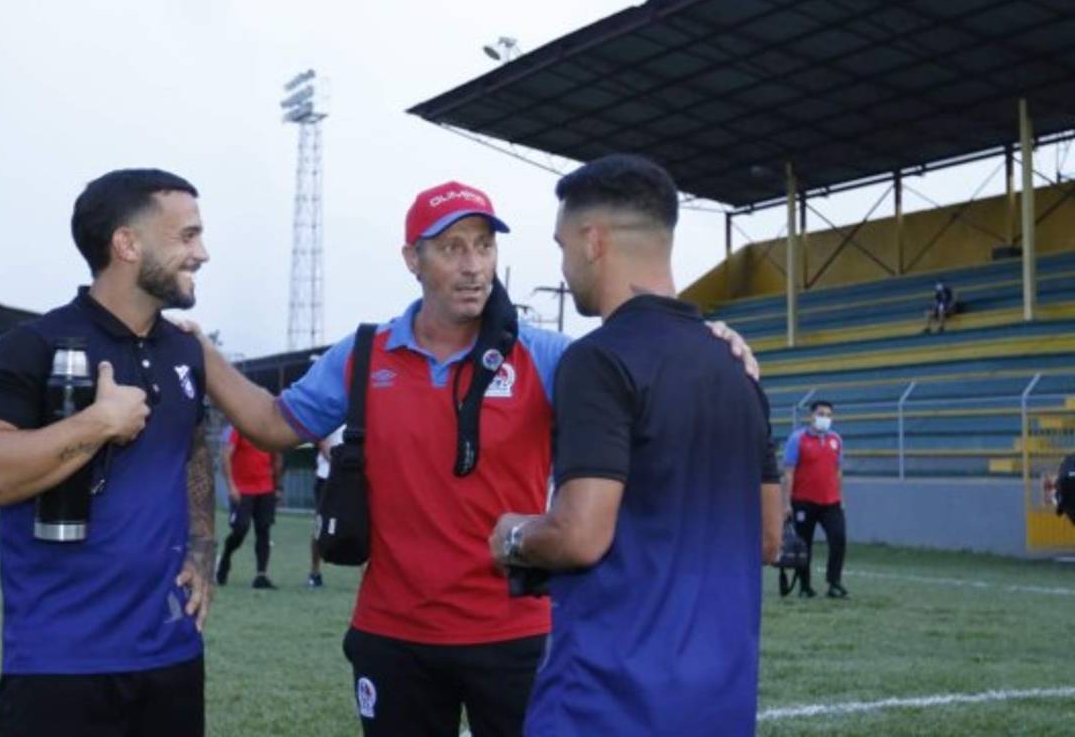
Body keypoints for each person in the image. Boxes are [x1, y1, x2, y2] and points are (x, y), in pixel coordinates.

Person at [183, 180, 759, 737]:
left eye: (485, 246)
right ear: (413, 258)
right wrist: (203, 354)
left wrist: (708, 343)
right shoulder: (365, 354)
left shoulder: (550, 356)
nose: (474, 265)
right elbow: (272, 424)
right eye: (452, 247)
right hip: (394, 634)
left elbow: (643, 372)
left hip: (516, 634)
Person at [488, 154, 778, 736]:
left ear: (594, 241)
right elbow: (770, 538)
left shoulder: (598, 359)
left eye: (564, 245)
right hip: (719, 705)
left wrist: (513, 535)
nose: (564, 266)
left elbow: (579, 536)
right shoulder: (736, 365)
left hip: (607, 702)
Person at [0, 168, 215, 737]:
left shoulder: (185, 351)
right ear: (127, 244)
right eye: (187, 237)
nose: (203, 253)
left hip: (171, 655)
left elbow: (192, 449)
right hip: (59, 664)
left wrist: (203, 549)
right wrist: (98, 423)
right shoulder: (35, 344)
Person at [782, 399, 848, 599]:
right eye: (821, 414)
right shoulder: (797, 439)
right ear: (811, 416)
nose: (825, 418)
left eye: (829, 415)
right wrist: (786, 503)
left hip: (831, 502)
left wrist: (841, 497)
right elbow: (788, 473)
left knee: (839, 539)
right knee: (804, 545)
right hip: (803, 501)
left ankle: (834, 582)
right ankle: (805, 586)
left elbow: (838, 472)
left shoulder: (836, 440)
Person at [216, 425, 283, 589]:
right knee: (240, 528)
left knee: (264, 529)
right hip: (242, 490)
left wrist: (277, 486)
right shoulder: (239, 428)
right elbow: (226, 456)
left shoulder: (268, 429)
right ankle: (226, 556)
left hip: (265, 488)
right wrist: (231, 486)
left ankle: (261, 575)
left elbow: (277, 457)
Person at [307, 427, 342, 589]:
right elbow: (321, 440)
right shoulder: (333, 409)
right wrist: (338, 465)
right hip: (326, 477)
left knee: (362, 523)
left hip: (352, 477)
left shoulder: (360, 413)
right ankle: (314, 572)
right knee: (320, 526)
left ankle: (365, 576)